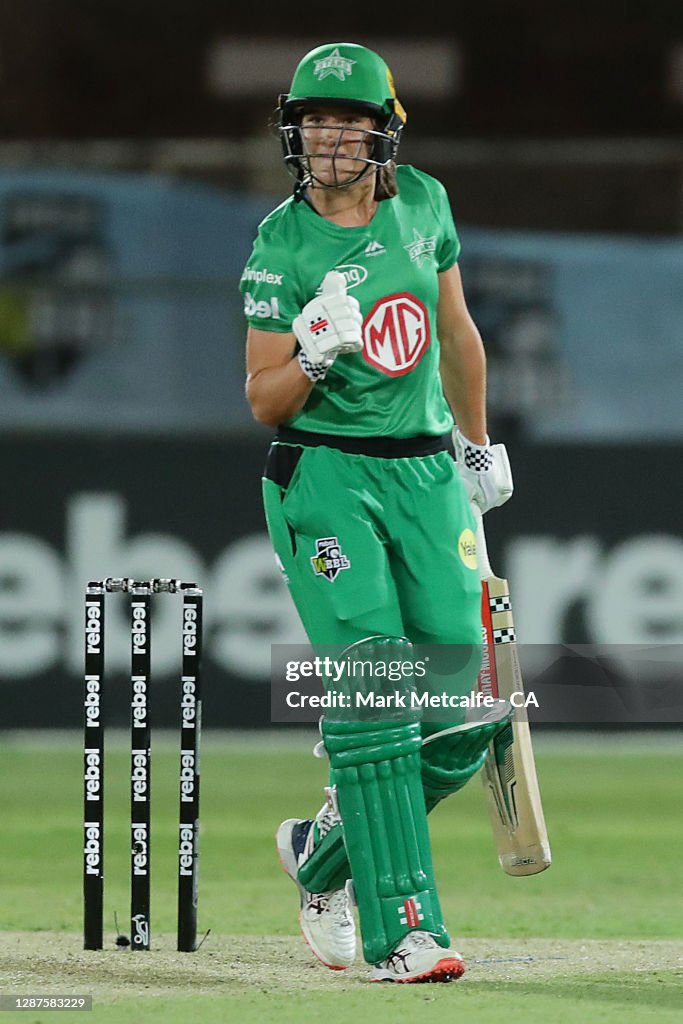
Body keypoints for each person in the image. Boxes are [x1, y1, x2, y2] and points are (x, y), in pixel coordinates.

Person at [240, 41, 514, 984]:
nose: (329, 138)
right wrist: (311, 353)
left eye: (348, 122)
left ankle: (323, 857)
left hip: (425, 474)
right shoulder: (281, 242)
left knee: (464, 721)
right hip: (323, 475)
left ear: (382, 133)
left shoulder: (424, 203)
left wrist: (476, 447)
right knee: (376, 695)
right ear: (296, 130)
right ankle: (407, 932)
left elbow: (455, 333)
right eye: (314, 121)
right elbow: (263, 400)